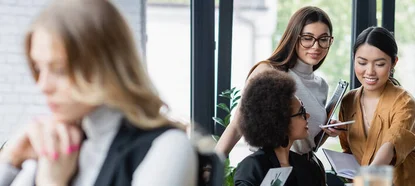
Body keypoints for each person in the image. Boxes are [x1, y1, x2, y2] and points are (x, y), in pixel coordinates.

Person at [0, 0, 198, 185]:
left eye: (59, 69)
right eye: (38, 69)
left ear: (103, 67)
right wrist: (10, 160)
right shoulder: (61, 144)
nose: (42, 85)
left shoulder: (166, 149)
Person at [216, 6, 339, 185]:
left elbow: (304, 140)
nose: (316, 46)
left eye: (323, 39)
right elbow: (238, 124)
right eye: (307, 38)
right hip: (271, 170)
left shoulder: (321, 85)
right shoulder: (269, 71)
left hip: (307, 170)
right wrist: (212, 165)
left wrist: (326, 133)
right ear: (294, 37)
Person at [338, 27, 415, 186]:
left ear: (394, 62)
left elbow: (390, 146)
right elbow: (348, 151)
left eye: (379, 64)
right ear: (354, 59)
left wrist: (366, 178)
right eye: (362, 62)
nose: (370, 72)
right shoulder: (348, 101)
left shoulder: (404, 102)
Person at [233, 69, 322, 186]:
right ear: (281, 121)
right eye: (301, 112)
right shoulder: (253, 167)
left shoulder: (308, 166)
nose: (307, 115)